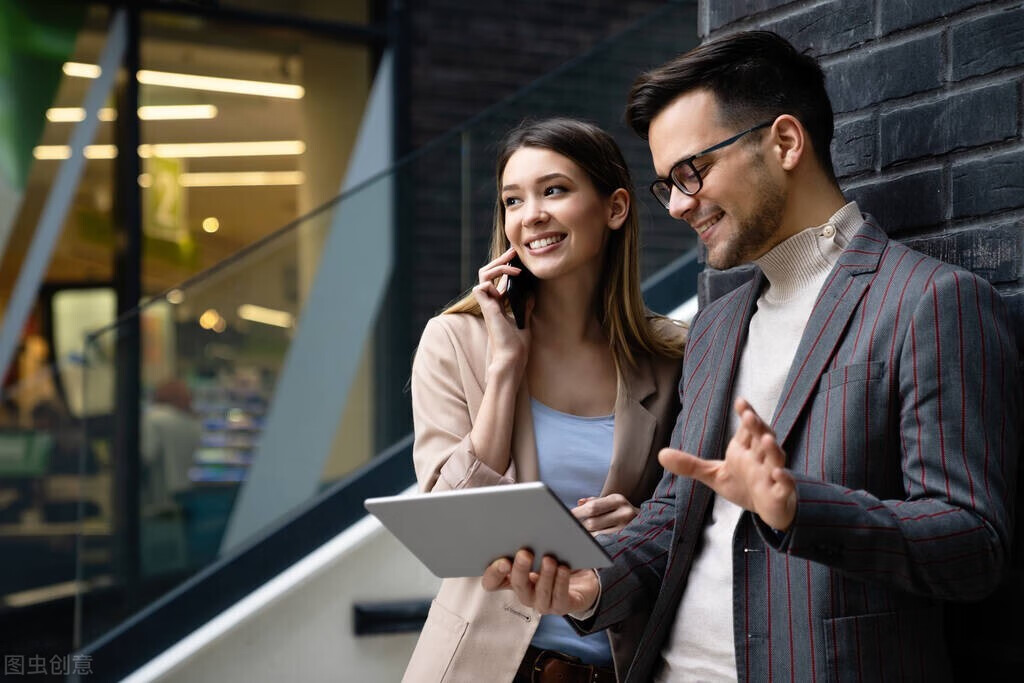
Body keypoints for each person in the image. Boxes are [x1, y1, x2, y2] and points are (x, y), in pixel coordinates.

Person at [482, 31, 1020, 682]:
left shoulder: (929, 302)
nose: (678, 205)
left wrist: (798, 507)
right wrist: (591, 587)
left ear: (785, 142)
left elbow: (973, 544)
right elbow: (674, 518)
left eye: (691, 172)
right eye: (665, 186)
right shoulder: (715, 324)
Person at [403, 118, 687, 682]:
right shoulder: (455, 340)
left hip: (620, 665)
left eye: (553, 190)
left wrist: (638, 529)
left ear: (615, 208)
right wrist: (506, 366)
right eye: (513, 200)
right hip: (483, 667)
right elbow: (448, 518)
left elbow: (689, 517)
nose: (530, 215)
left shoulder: (672, 354)